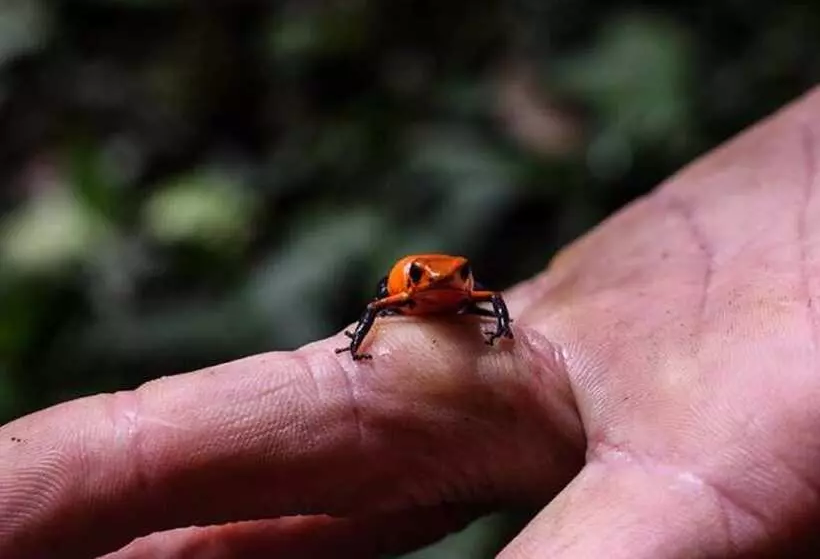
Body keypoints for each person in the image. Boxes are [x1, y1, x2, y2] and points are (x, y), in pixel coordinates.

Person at [3, 87, 820, 559]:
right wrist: (361, 347)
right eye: (444, 283)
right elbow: (375, 308)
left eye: (458, 282)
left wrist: (494, 330)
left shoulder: (466, 297)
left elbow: (490, 302)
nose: (456, 288)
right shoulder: (407, 296)